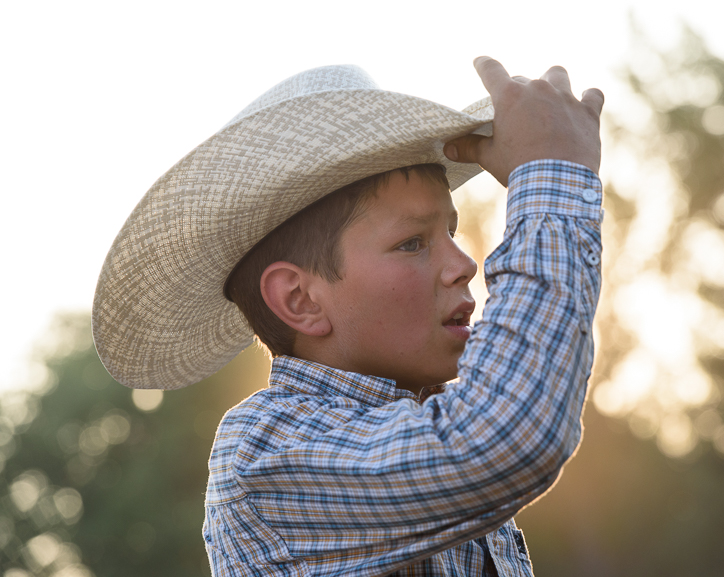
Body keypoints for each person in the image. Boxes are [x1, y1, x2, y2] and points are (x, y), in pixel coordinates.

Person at [93, 56, 603, 576]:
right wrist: (552, 180)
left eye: (450, 232)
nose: (464, 265)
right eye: (412, 242)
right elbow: (504, 436)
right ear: (300, 300)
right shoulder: (265, 451)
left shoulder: (431, 420)